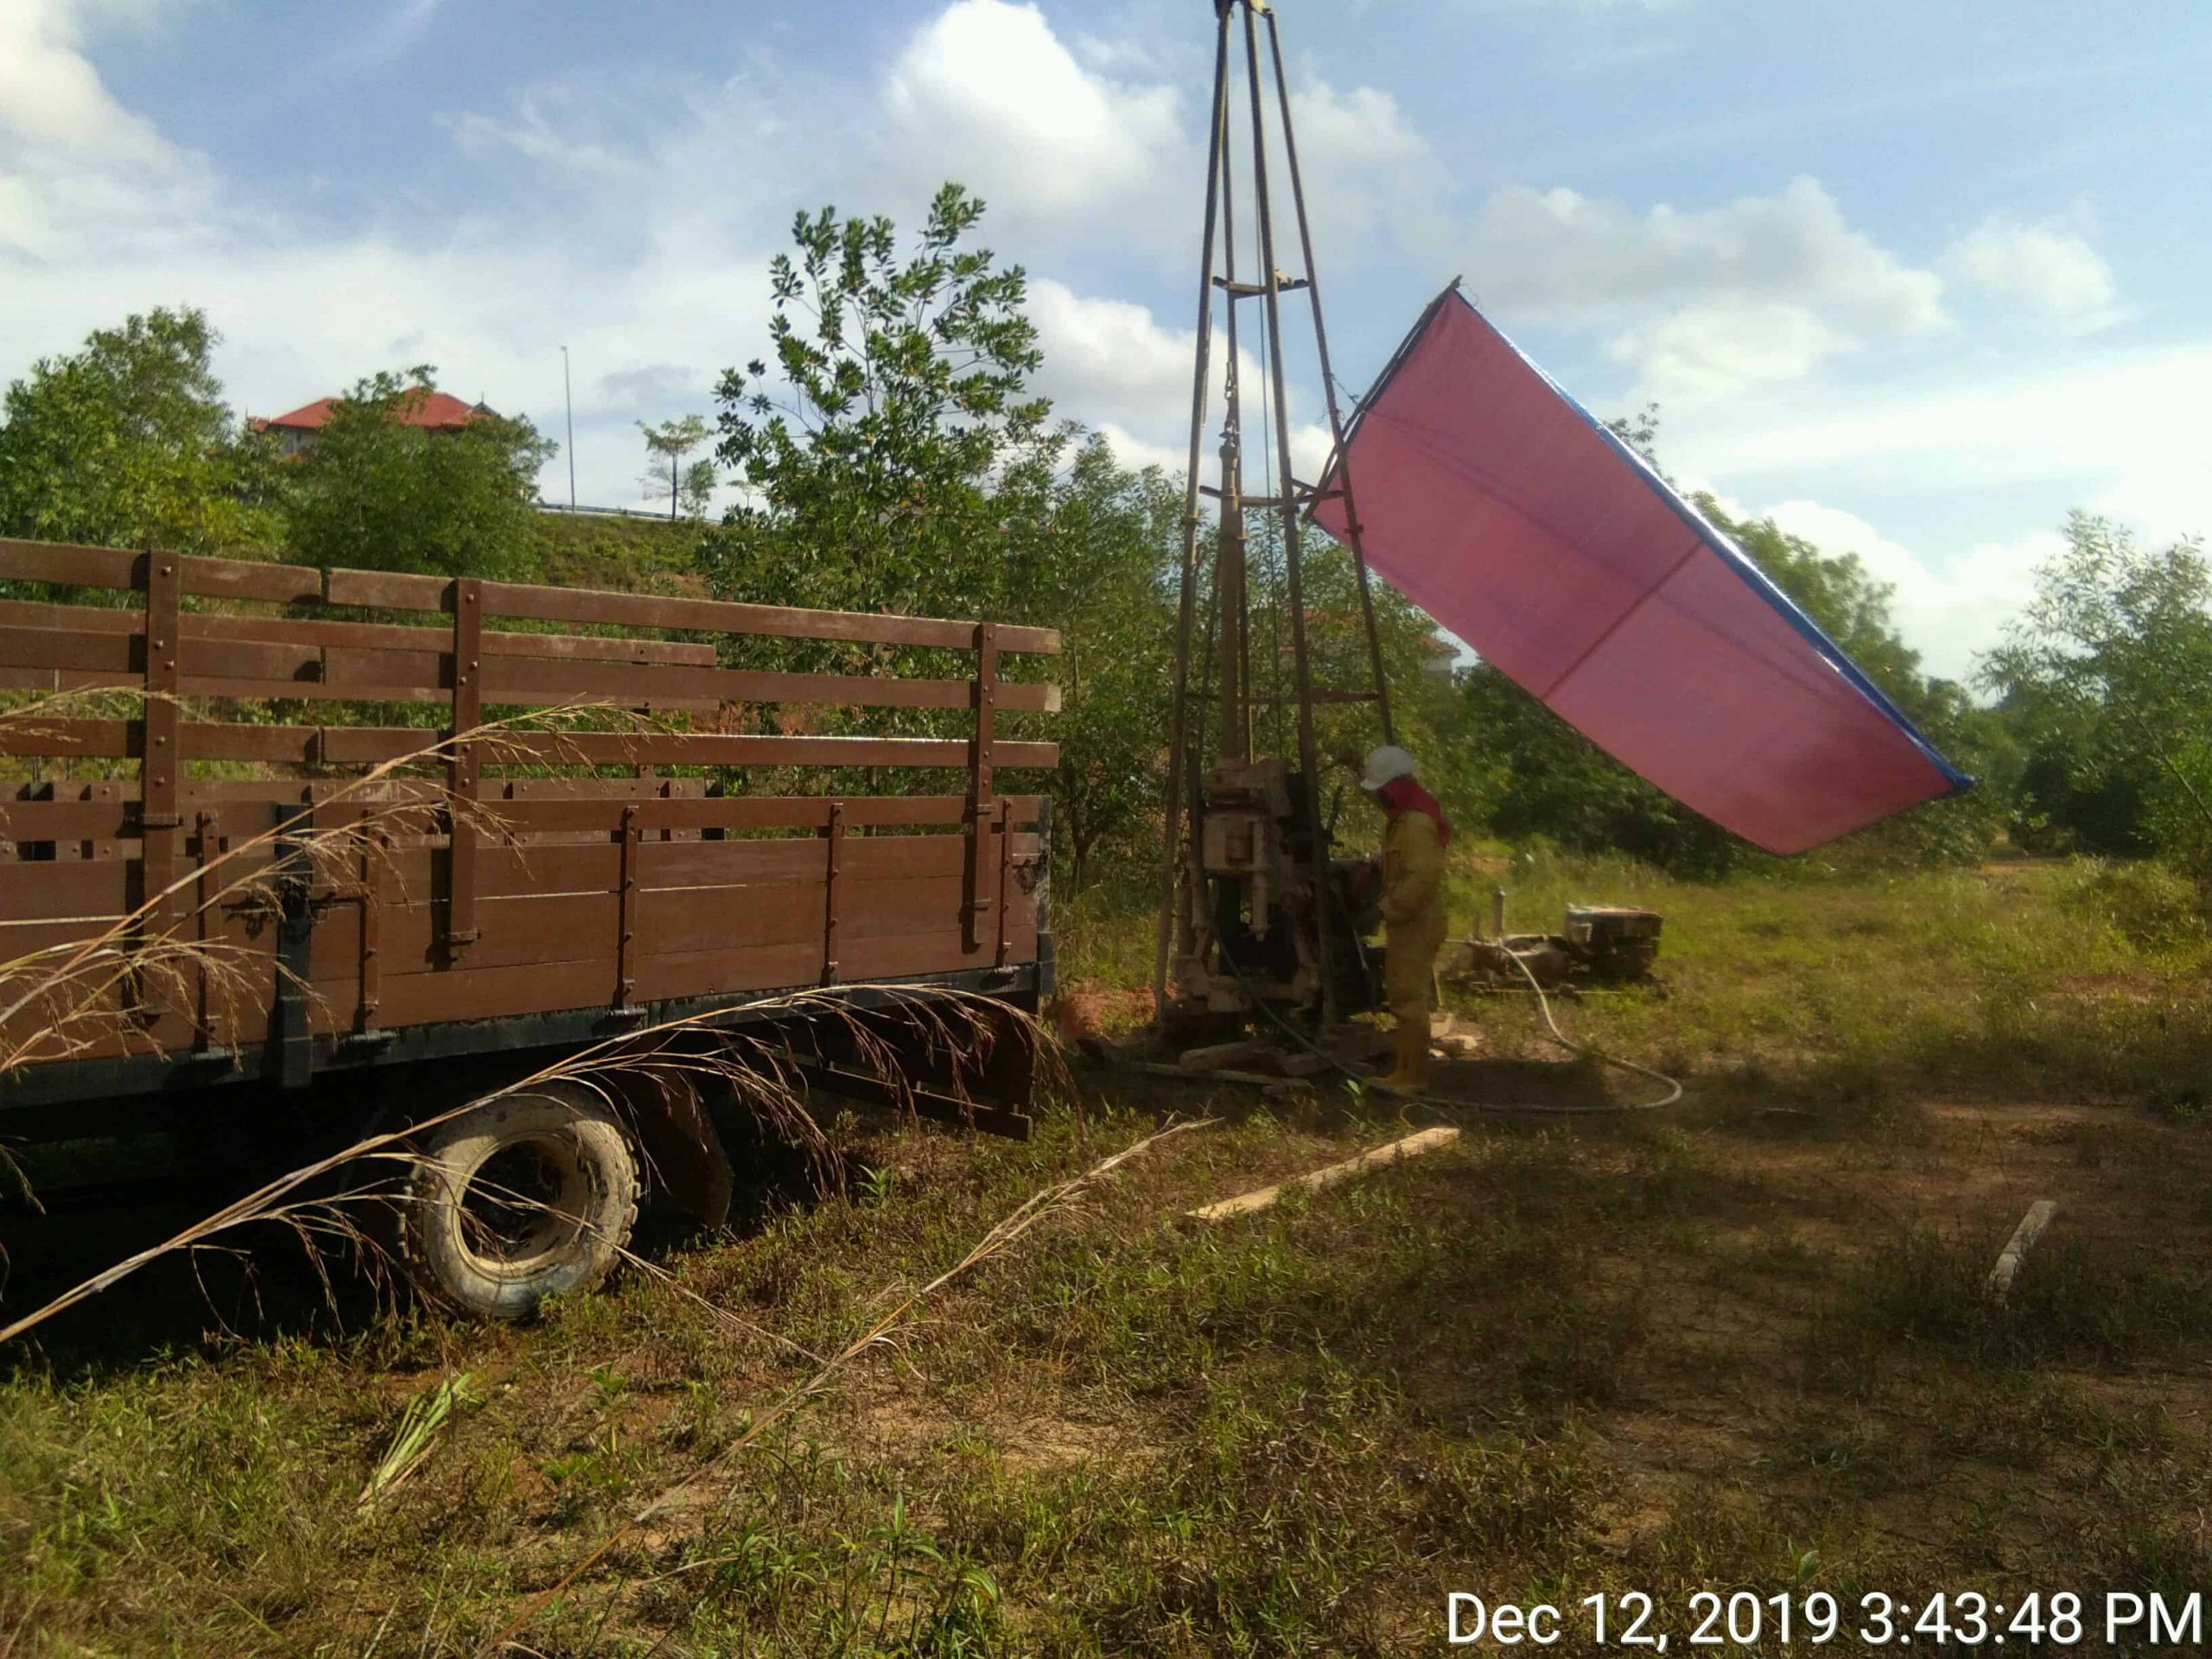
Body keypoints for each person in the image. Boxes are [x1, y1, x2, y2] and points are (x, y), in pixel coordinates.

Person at [1359, 744, 1450, 1092]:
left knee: (1409, 999)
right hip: (1408, 922)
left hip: (1417, 923)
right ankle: (1403, 1072)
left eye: (1381, 791)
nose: (1379, 798)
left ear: (1394, 787)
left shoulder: (1416, 824)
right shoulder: (1402, 822)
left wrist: (1381, 910)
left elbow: (1421, 879)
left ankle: (1414, 1077)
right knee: (1402, 996)